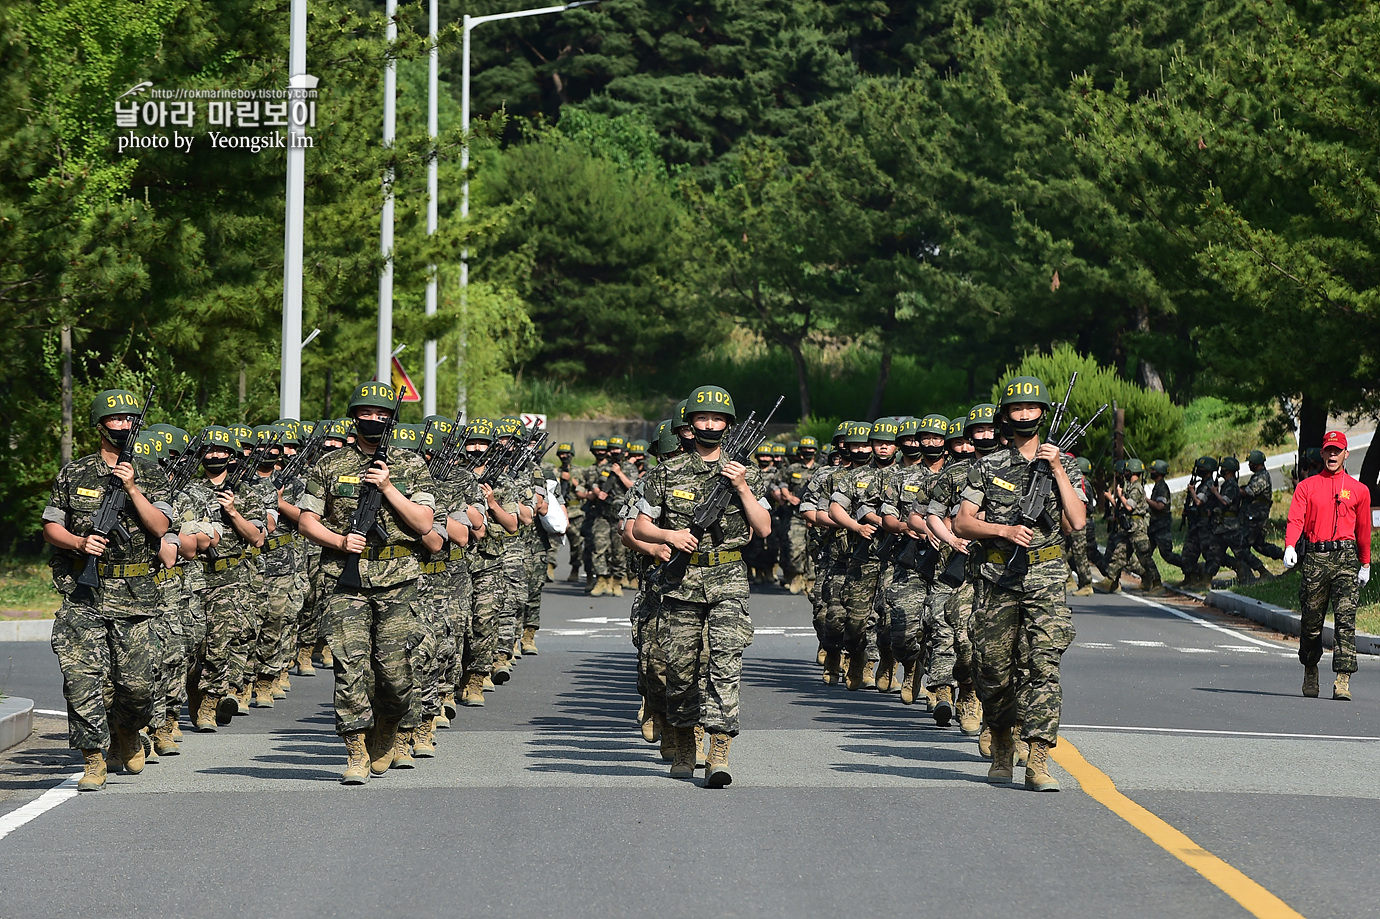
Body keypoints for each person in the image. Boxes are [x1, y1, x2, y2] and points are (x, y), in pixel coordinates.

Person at [297, 381, 437, 784]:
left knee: (394, 673)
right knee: (350, 667)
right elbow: (307, 522)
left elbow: (424, 523)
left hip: (398, 579)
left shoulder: (411, 466)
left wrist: (388, 487)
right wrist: (340, 540)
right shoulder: (329, 464)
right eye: (366, 414)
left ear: (392, 419)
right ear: (354, 418)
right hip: (345, 578)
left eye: (382, 415)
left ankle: (389, 726)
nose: (373, 420)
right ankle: (355, 750)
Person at [955, 376, 1087, 792]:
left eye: (1032, 408)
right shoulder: (987, 465)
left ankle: (1039, 760)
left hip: (1046, 576)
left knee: (1043, 665)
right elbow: (962, 521)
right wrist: (1004, 530)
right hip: (998, 575)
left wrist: (1059, 469)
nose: (1026, 414)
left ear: (1043, 413)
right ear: (1006, 416)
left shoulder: (1066, 463)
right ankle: (1002, 741)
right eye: (1018, 409)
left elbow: (1077, 522)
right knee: (992, 669)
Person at [634, 385, 770, 787]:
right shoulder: (664, 473)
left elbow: (761, 527)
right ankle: (684, 741)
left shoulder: (746, 472)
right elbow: (640, 526)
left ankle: (720, 749)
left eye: (718, 419)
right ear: (689, 425)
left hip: (728, 578)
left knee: (725, 664)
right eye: (702, 418)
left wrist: (742, 486)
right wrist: (670, 537)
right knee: (679, 670)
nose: (710, 425)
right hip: (681, 582)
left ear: (728, 424)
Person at [42, 390, 175, 791]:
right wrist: (78, 543)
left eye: (130, 419)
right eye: (115, 419)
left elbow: (161, 528)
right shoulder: (75, 473)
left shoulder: (152, 473)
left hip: (134, 595)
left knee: (136, 685)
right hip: (83, 593)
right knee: (81, 679)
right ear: (100, 425)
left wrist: (133, 489)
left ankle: (129, 729)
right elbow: (51, 526)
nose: (123, 425)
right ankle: (93, 760)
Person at [1283, 431, 1372, 701]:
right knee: (1311, 621)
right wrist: (1289, 545)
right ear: (1322, 454)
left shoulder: (1358, 490)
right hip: (1315, 559)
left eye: (1337, 451)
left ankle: (1342, 680)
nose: (1332, 455)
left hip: (1345, 559)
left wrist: (1365, 563)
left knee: (1345, 620)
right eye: (1328, 451)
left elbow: (1364, 529)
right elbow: (1296, 519)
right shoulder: (1307, 487)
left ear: (1346, 454)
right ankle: (1310, 670)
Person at [1095, 458, 1163, 595]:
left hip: (1137, 528)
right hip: (1129, 527)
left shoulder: (1136, 487)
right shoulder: (1131, 486)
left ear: (1131, 471)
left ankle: (1157, 583)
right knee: (1119, 553)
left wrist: (1119, 495)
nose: (1124, 473)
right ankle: (1110, 581)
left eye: (1126, 471)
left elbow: (1129, 506)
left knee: (1145, 557)